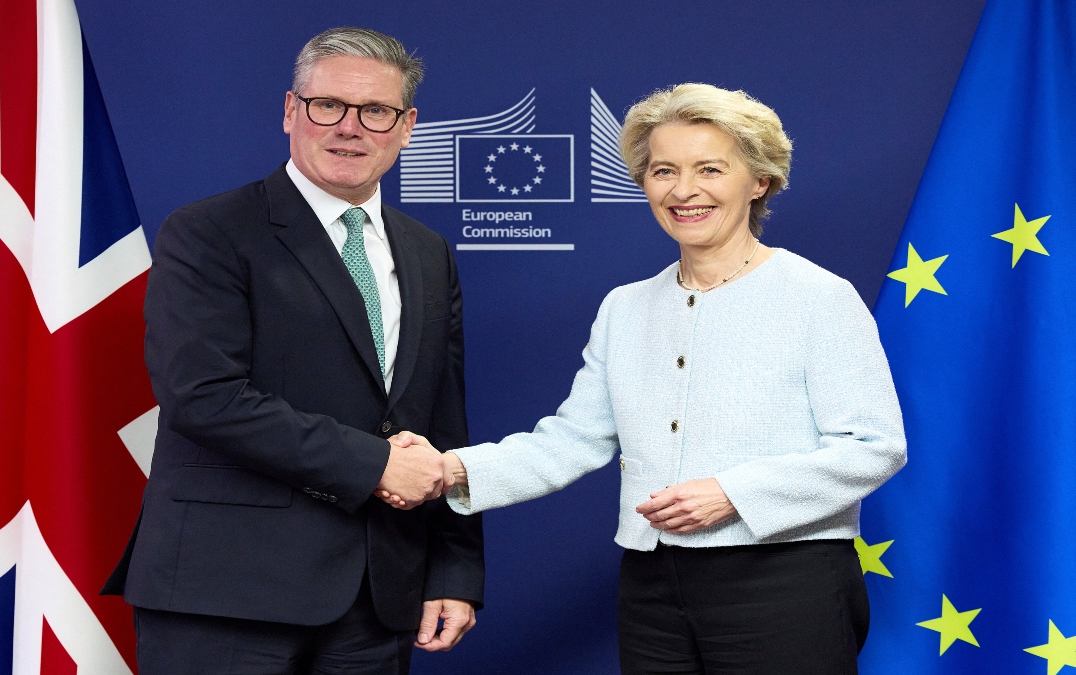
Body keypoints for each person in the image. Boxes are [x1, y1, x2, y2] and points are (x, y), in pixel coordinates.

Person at [382, 83, 906, 674]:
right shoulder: (625, 308)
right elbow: (573, 439)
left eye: (710, 169)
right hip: (652, 584)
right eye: (663, 171)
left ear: (759, 181)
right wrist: (449, 469)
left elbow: (874, 446)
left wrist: (734, 493)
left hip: (785, 581)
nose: (683, 190)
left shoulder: (819, 298)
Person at [102, 27, 484, 675]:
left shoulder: (427, 252)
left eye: (376, 111)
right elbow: (204, 397)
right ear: (290, 111)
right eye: (327, 105)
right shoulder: (210, 232)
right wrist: (377, 465)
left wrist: (454, 567)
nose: (349, 127)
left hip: (377, 598)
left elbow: (442, 421)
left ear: (407, 127)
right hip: (226, 594)